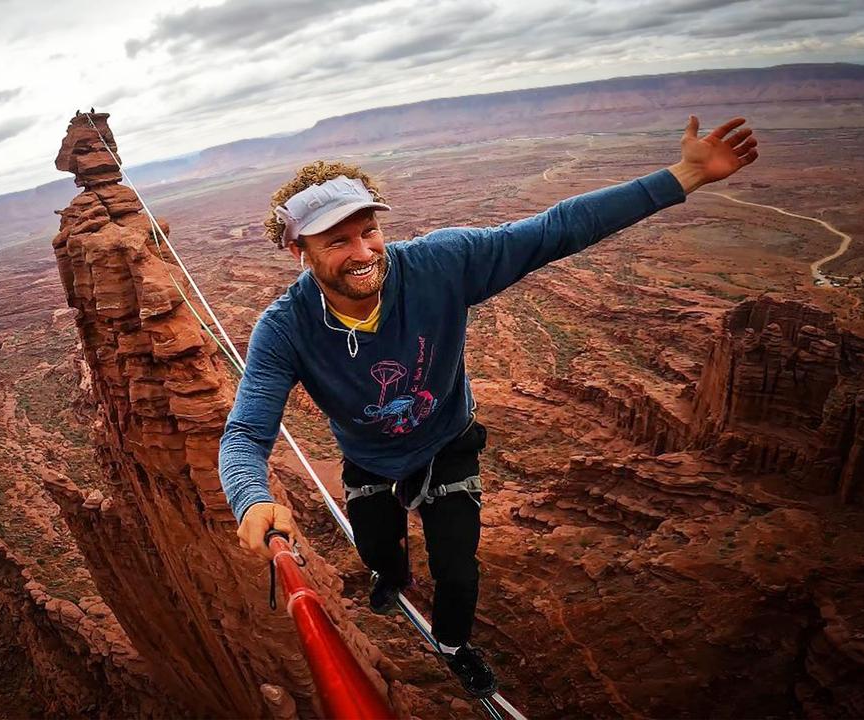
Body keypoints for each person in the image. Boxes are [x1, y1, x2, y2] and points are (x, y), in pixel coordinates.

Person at [218, 116, 759, 698]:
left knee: (458, 571)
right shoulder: (285, 328)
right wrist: (251, 499)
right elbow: (246, 434)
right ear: (298, 251)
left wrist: (685, 175)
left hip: (447, 442)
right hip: (370, 459)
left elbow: (557, 229)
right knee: (378, 550)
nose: (363, 251)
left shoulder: (439, 265)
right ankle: (389, 575)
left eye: (368, 230)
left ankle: (452, 644)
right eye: (337, 241)